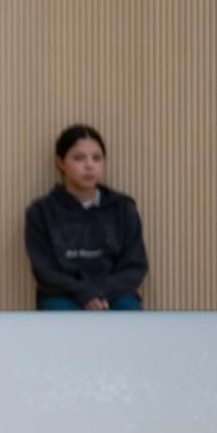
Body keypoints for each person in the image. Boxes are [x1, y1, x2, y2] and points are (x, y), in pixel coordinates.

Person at [25, 124, 148, 310]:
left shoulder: (123, 208)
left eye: (96, 158)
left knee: (129, 312)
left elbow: (135, 265)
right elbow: (46, 271)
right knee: (58, 315)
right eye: (79, 158)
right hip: (62, 296)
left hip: (114, 295)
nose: (89, 165)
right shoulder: (41, 212)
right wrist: (84, 294)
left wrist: (101, 293)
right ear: (61, 162)